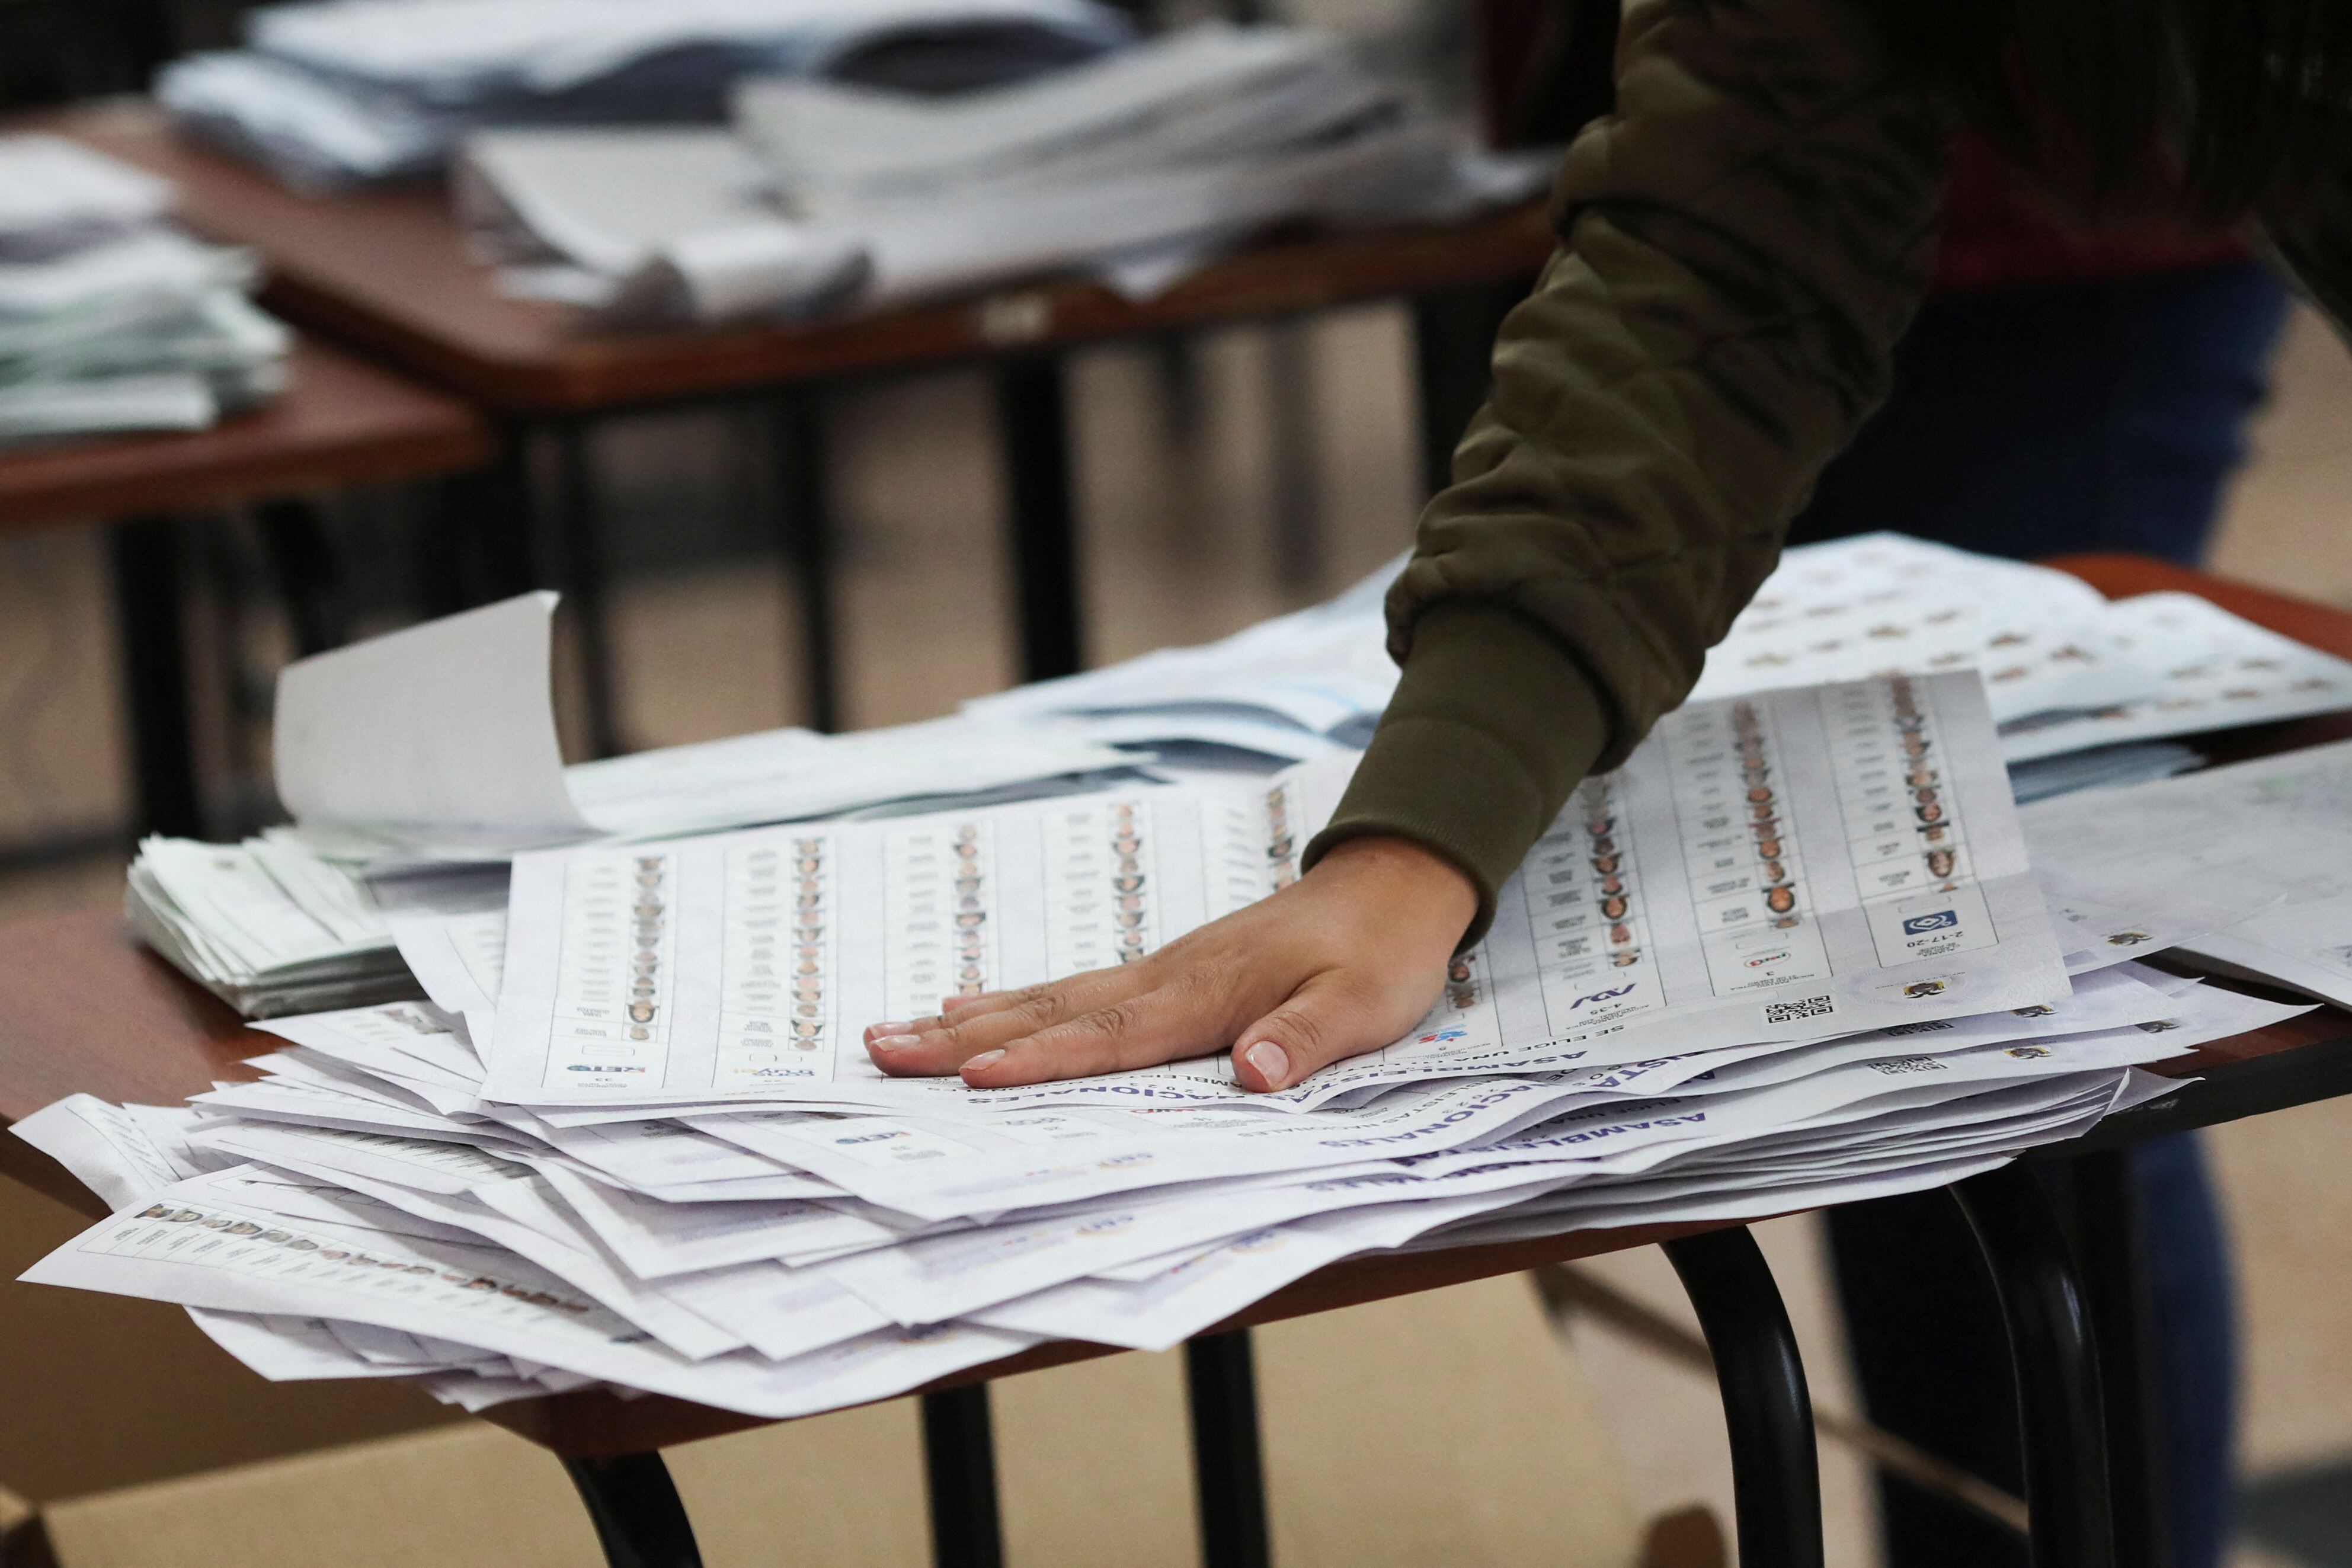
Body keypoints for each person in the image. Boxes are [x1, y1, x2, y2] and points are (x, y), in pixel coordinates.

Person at [862, 2, 2351, 1559]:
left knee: (2050, 1072)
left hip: (2068, 265)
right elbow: (1716, 272)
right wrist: (1413, 845)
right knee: (1939, 1039)